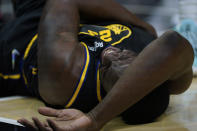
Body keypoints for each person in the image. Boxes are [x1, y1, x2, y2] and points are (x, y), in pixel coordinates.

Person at [0, 0, 194, 130]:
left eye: (105, 70)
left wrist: (93, 119)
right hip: (62, 14)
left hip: (17, 39)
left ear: (110, 97)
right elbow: (173, 43)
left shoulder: (67, 77)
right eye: (125, 58)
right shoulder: (161, 67)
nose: (109, 56)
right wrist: (145, 27)